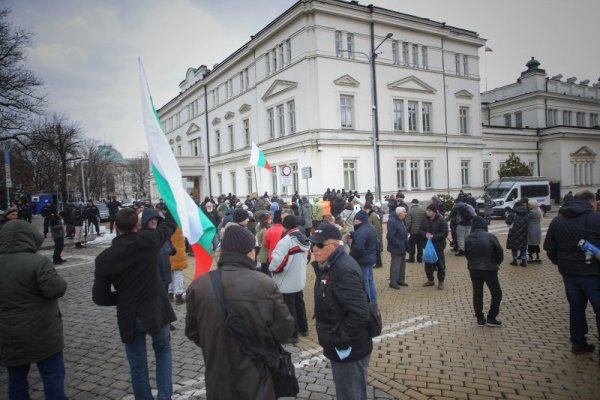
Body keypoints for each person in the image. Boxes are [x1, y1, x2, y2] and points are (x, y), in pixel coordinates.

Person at [185, 224, 294, 399]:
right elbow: (284, 331)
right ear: (249, 252)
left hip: (217, 380)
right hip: (257, 378)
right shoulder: (264, 284)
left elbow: (192, 331)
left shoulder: (198, 285)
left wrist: (217, 342)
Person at [92, 207, 177, 399]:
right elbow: (170, 226)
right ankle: (165, 396)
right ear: (137, 226)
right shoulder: (147, 242)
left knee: (137, 363)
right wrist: (171, 203)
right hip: (155, 309)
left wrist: (123, 297)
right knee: (163, 350)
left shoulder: (104, 258)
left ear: (115, 227)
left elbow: (99, 297)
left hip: (129, 313)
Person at [0, 219, 68, 399]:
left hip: (8, 335)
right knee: (52, 376)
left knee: (16, 379)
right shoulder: (38, 263)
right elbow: (56, 289)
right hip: (42, 333)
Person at [310, 223, 372, 400]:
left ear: (335, 245)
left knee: (350, 394)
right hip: (342, 346)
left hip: (349, 349)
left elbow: (360, 314)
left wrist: (337, 340)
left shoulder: (342, 270)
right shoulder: (328, 265)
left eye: (320, 245)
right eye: (313, 244)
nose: (315, 248)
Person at [543, 190, 600, 355]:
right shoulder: (596, 219)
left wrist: (561, 263)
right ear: (591, 202)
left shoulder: (558, 221)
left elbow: (549, 248)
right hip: (594, 273)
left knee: (576, 308)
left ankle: (578, 342)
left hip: (569, 274)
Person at [269, 215, 311, 343]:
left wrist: (272, 269)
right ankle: (304, 329)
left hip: (286, 279)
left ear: (285, 226)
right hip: (299, 277)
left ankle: (292, 335)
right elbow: (308, 257)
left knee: (289, 307)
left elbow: (277, 262)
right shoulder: (304, 238)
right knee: (299, 303)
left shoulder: (286, 241)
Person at [465, 216, 504, 327]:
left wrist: (472, 263)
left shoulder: (469, 238)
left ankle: (480, 318)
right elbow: (499, 253)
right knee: (496, 293)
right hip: (490, 268)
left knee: (477, 293)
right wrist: (496, 263)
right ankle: (491, 317)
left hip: (474, 269)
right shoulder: (491, 237)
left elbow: (467, 254)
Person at [348, 210, 378, 304]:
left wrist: (351, 257)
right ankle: (373, 301)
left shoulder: (361, 231)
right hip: (370, 258)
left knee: (364, 282)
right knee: (370, 281)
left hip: (362, 260)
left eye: (355, 219)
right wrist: (354, 235)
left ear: (358, 220)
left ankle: (367, 302)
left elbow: (359, 248)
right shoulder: (370, 227)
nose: (354, 221)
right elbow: (365, 238)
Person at [419, 204, 449, 289]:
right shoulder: (424, 220)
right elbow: (420, 230)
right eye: (427, 210)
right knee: (428, 264)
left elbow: (444, 233)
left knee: (440, 264)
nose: (427, 212)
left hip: (438, 246)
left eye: (429, 211)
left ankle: (441, 281)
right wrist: (425, 234)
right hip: (427, 246)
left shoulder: (441, 220)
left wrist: (434, 236)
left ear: (434, 212)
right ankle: (430, 280)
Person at [387, 206, 408, 289]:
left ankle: (400, 280)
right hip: (396, 247)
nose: (405, 214)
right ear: (400, 213)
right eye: (404, 212)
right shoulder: (392, 221)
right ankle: (393, 282)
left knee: (402, 265)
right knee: (395, 266)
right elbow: (390, 236)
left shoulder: (401, 220)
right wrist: (399, 244)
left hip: (402, 246)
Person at [506, 201, 532, 267]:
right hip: (524, 232)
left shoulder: (513, 213)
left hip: (513, 232)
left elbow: (508, 222)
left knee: (514, 246)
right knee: (523, 246)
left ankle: (514, 260)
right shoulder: (527, 213)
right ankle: (523, 260)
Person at [169, 226, 189, 305]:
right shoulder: (179, 224)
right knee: (178, 274)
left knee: (169, 272)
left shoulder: (164, 222)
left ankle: (169, 294)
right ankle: (178, 296)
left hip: (168, 251)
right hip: (178, 252)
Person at [405, 199, 426, 263]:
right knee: (420, 246)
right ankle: (420, 259)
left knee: (412, 246)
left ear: (412, 203)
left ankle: (411, 259)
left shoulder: (410, 211)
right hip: (422, 232)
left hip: (413, 232)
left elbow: (408, 222)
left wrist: (407, 230)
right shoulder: (423, 210)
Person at [364, 202, 383, 268]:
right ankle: (375, 262)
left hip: (374, 235)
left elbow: (377, 227)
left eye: (366, 209)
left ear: (369, 209)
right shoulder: (369, 215)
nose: (365, 210)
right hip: (370, 235)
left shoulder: (373, 215)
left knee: (377, 250)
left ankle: (378, 263)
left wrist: (377, 236)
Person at [527, 198, 543, 263]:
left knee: (530, 244)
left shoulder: (532, 212)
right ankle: (537, 256)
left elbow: (526, 218)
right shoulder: (538, 210)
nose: (528, 206)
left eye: (529, 205)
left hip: (531, 230)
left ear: (532, 205)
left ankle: (530, 257)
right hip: (537, 229)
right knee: (536, 244)